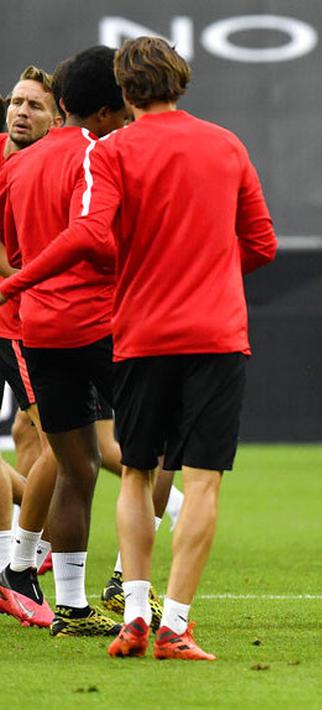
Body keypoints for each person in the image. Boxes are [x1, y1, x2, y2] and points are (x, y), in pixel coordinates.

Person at [0, 36, 278, 660]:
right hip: (207, 332)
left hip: (124, 330)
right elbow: (261, 246)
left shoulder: (104, 154)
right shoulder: (226, 144)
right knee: (197, 479)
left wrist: (14, 283)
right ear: (181, 83)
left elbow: (87, 232)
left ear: (126, 94)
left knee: (118, 468)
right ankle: (172, 623)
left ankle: (114, 609)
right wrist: (202, 266)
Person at [0, 64, 63, 629]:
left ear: (57, 117)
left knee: (52, 444)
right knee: (65, 449)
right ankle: (11, 565)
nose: (20, 112)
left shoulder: (53, 164)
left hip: (29, 323)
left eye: (34, 105)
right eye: (16, 102)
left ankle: (24, 551)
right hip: (16, 319)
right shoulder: (5, 159)